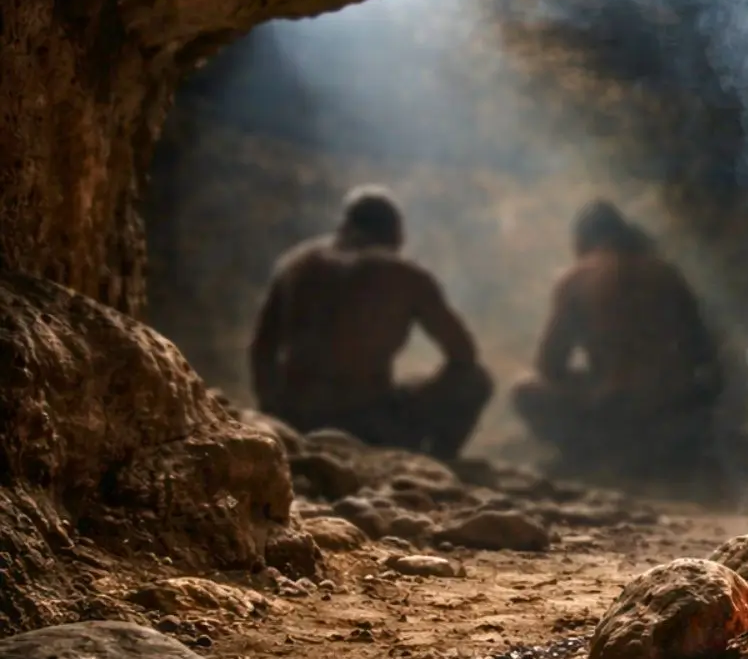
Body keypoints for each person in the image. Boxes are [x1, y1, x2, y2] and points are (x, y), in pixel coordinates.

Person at [248, 187, 492, 460]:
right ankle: (438, 461)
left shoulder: (295, 264)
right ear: (396, 237)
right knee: (474, 381)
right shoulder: (405, 275)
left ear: (344, 227)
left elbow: (261, 349)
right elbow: (464, 354)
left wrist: (274, 412)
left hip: (296, 419)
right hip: (366, 424)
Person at [511, 200, 722, 479]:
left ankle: (594, 456)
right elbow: (705, 353)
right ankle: (660, 455)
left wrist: (599, 374)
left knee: (524, 388)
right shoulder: (666, 273)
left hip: (616, 411)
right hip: (674, 410)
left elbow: (549, 365)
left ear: (582, 240)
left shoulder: (577, 278)